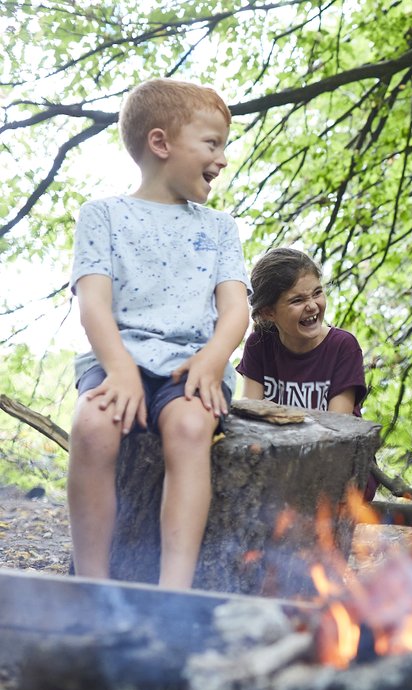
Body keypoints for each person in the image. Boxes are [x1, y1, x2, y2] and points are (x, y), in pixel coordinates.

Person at [67, 78, 249, 589]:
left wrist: (214, 359)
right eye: (212, 144)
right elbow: (93, 303)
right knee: (92, 427)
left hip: (190, 361)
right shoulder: (102, 215)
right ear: (161, 143)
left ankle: (173, 590)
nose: (223, 158)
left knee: (191, 428)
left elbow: (235, 308)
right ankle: (91, 584)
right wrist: (121, 370)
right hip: (116, 357)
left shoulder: (218, 228)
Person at [237, 247, 368, 416]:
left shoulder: (342, 346)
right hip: (272, 441)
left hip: (332, 440)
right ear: (268, 312)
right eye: (297, 300)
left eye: (317, 293)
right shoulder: (259, 344)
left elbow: (338, 425)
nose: (312, 306)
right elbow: (250, 417)